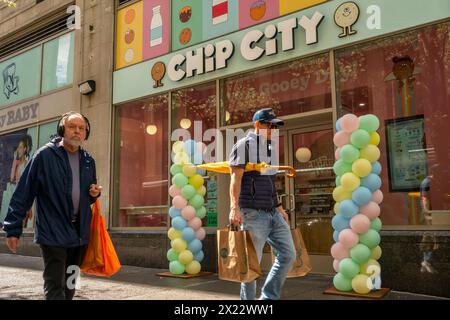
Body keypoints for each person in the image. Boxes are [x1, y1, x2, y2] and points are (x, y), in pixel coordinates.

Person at [2, 111, 102, 300]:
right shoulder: (44, 156)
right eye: (72, 127)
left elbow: (86, 196)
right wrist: (13, 229)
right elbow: (24, 192)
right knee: (55, 286)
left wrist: (94, 194)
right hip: (53, 233)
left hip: (79, 236)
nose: (77, 132)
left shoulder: (88, 160)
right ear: (62, 129)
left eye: (81, 128)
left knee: (71, 284)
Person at [228, 107, 296, 300]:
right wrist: (234, 208)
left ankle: (268, 298)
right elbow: (236, 178)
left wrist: (279, 207)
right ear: (258, 125)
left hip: (273, 213)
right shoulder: (243, 145)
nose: (274, 129)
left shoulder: (269, 149)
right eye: (270, 125)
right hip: (253, 213)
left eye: (276, 127)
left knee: (288, 255)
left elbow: (270, 182)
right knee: (251, 264)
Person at [9, 134, 33, 228]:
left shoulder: (28, 164)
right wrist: (15, 162)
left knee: (23, 221)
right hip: (17, 195)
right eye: (18, 147)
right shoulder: (17, 164)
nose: (18, 150)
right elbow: (12, 179)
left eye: (20, 147)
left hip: (25, 196)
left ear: (25, 149)